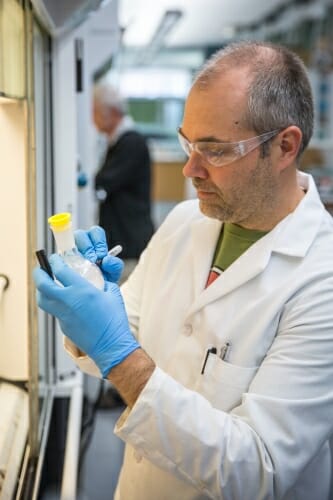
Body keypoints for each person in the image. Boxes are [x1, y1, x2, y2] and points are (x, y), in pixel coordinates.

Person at [34, 41, 333, 500]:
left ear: (284, 146)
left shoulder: (322, 277)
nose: (190, 169)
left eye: (215, 150)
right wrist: (90, 308)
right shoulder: (184, 222)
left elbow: (259, 470)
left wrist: (120, 356)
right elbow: (113, 342)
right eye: (188, 143)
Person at [93, 82, 154, 281]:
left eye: (94, 112)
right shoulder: (117, 141)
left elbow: (104, 180)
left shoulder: (130, 142)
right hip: (121, 241)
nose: (92, 119)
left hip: (130, 244)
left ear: (109, 113)